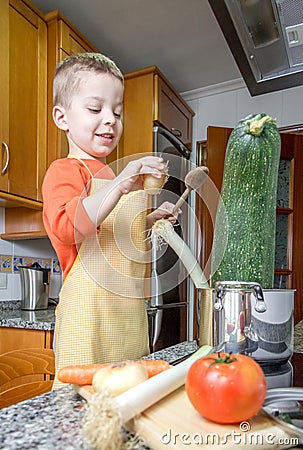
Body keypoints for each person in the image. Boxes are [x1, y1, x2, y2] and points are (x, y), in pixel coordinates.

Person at [42, 52, 177, 389]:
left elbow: (115, 237)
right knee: (83, 408)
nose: (110, 120)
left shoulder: (113, 178)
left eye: (117, 112)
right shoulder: (65, 171)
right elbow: (68, 228)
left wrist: (150, 222)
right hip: (88, 324)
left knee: (128, 398)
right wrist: (120, 183)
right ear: (62, 117)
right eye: (95, 109)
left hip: (127, 321)